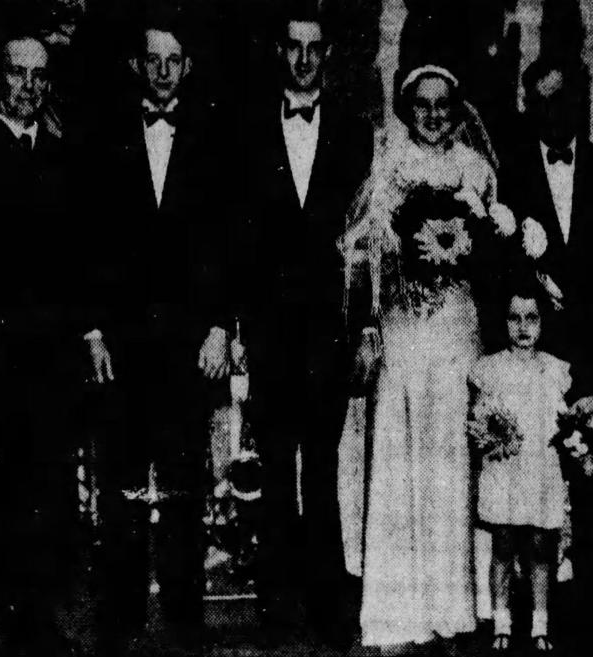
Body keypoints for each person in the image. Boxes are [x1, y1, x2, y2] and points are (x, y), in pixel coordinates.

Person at [339, 61, 516, 647]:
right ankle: (400, 602)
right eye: (423, 104)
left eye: (445, 104)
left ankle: (456, 601)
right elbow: (363, 255)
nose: (435, 115)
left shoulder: (476, 170)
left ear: (458, 109)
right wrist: (378, 310)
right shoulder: (388, 167)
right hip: (406, 325)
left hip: (457, 326)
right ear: (407, 108)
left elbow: (489, 258)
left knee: (453, 457)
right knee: (405, 450)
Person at [77, 10, 228, 654]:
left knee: (185, 478)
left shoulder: (216, 138)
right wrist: (91, 330)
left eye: (175, 61)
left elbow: (232, 238)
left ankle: (186, 619)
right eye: (152, 61)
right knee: (120, 482)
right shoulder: (105, 134)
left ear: (187, 67)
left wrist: (222, 325)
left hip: (192, 342)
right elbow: (81, 235)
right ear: (137, 66)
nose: (163, 73)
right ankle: (119, 615)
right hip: (123, 344)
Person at [227, 7, 373, 647]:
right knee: (278, 461)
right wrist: (235, 325)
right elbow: (234, 238)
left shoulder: (355, 132)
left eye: (315, 48)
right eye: (294, 48)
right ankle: (277, 603)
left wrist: (366, 323)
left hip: (329, 326)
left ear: (330, 55)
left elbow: (368, 239)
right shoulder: (248, 131)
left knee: (322, 463)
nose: (305, 60)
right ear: (279, 54)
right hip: (268, 325)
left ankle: (325, 601)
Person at [0, 30, 78, 656]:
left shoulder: (59, 157)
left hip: (45, 359)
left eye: (40, 75)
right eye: (17, 73)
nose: (29, 86)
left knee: (41, 487)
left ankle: (34, 616)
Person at [498, 56, 593, 631]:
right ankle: (531, 609)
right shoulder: (513, 170)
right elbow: (502, 266)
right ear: (530, 107)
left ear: (579, 101)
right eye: (541, 100)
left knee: (591, 468)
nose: (554, 111)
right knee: (530, 472)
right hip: (535, 351)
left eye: (563, 98)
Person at [468, 283, 571, 653]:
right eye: (515, 318)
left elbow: (562, 421)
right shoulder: (490, 369)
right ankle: (502, 623)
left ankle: (540, 624)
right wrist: (489, 433)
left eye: (532, 318)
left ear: (543, 322)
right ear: (504, 321)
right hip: (505, 470)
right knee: (504, 545)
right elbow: (478, 419)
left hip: (540, 469)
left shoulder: (555, 370)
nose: (523, 327)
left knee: (541, 546)